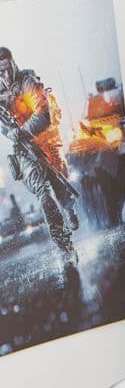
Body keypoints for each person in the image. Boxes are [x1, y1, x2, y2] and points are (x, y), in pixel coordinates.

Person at [0, 46, 79, 264]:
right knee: (44, 195)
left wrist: (21, 131)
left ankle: (69, 208)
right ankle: (64, 244)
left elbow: (44, 115)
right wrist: (10, 132)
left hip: (45, 141)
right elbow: (4, 128)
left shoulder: (27, 82)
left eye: (6, 69)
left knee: (61, 184)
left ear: (12, 64)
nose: (4, 75)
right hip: (24, 151)